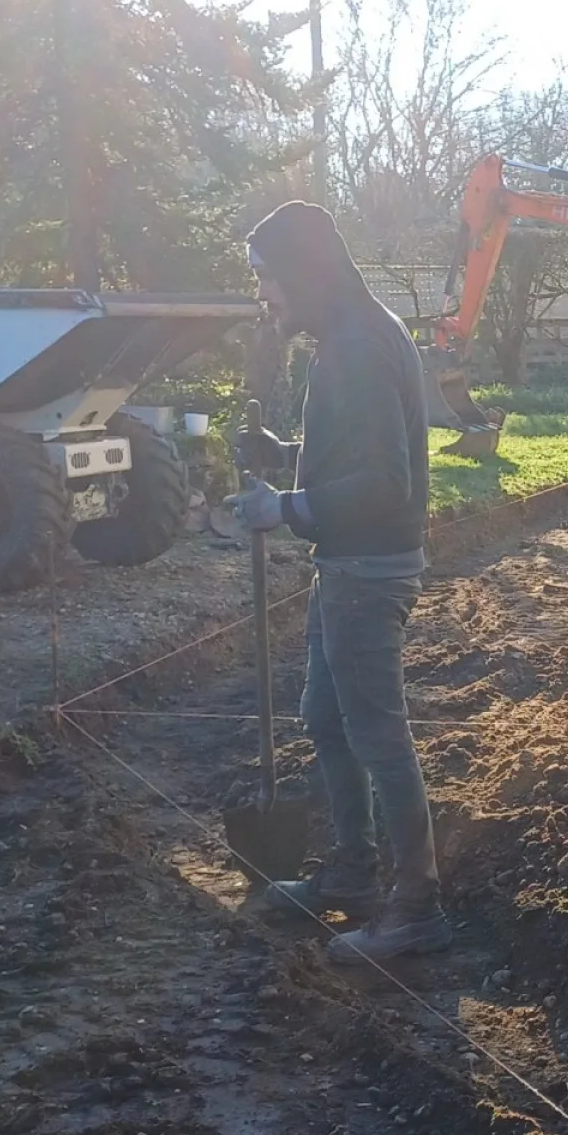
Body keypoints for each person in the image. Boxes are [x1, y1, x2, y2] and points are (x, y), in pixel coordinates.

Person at [229, 200, 451, 961]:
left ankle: (417, 905)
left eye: (266, 277)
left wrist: (284, 506)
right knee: (326, 717)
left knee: (376, 733)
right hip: (346, 565)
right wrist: (284, 447)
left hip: (367, 569)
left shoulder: (356, 344)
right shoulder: (349, 334)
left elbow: (385, 482)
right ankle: (354, 874)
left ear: (301, 269)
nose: (263, 294)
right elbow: (350, 448)